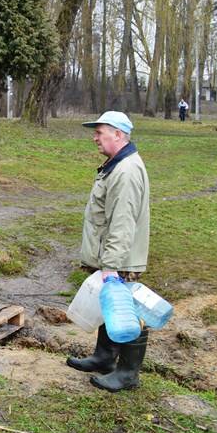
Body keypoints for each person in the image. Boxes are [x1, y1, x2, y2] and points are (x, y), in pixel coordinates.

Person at [67, 111, 151, 392]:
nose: (95, 138)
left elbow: (123, 222)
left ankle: (127, 373)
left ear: (118, 134)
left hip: (120, 258)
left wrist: (111, 264)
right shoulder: (116, 165)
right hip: (112, 254)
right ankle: (104, 357)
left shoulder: (126, 171)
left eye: (99, 132)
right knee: (109, 305)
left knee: (126, 311)